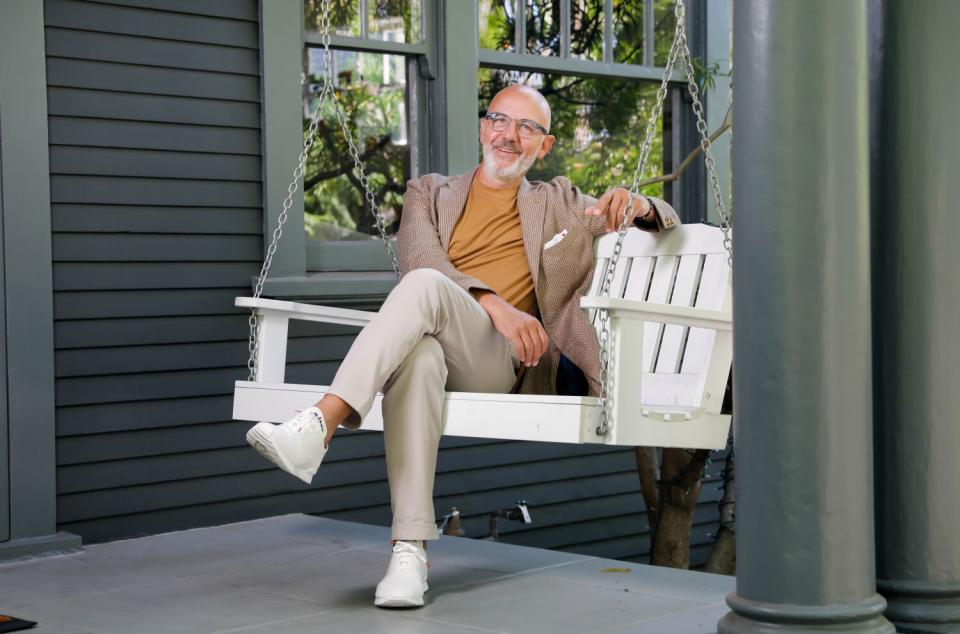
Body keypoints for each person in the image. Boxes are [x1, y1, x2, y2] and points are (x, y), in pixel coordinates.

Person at [246, 84, 679, 608]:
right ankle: (409, 554)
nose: (509, 136)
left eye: (527, 128)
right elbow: (418, 258)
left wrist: (640, 203)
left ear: (545, 146)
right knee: (420, 355)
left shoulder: (560, 203)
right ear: (483, 127)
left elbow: (661, 217)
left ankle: (319, 424)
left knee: (426, 290)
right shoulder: (428, 192)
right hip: (442, 344)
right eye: (500, 120)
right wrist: (498, 302)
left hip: (504, 362)